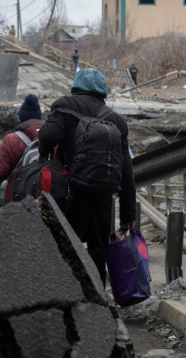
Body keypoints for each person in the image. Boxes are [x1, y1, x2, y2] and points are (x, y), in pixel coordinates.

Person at [37, 68, 136, 285]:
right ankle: (98, 295)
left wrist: (44, 151)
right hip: (102, 194)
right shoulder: (117, 120)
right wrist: (128, 214)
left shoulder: (64, 106)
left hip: (71, 191)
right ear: (102, 90)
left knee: (66, 242)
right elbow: (126, 170)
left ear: (76, 86)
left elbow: (49, 135)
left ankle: (67, 292)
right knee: (98, 246)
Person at [0, 94, 45, 203]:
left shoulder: (12, 139)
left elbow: (0, 172)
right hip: (45, 194)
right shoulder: (54, 135)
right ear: (39, 115)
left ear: (21, 116)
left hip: (18, 196)